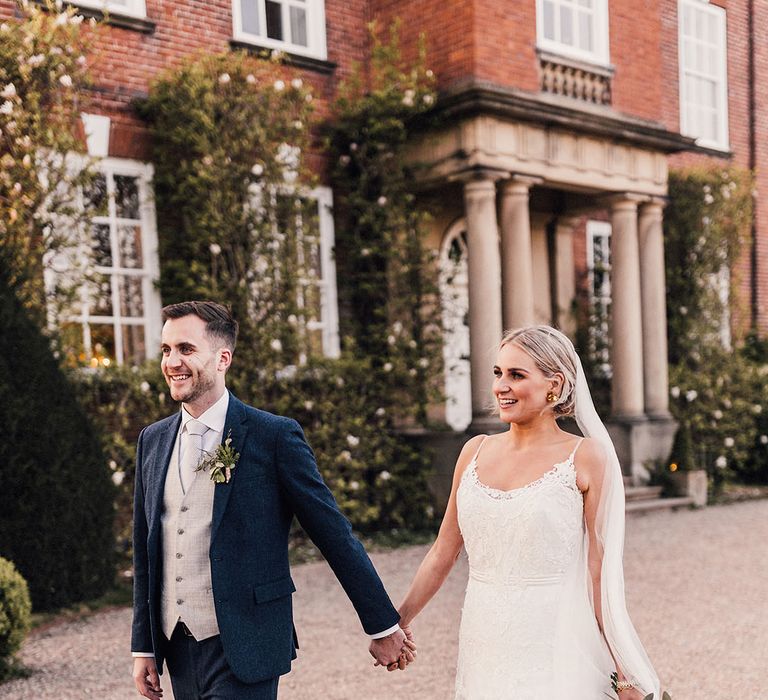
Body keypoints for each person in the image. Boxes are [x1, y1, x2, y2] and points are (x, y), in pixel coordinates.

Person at [131, 301, 415, 700]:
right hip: (176, 644)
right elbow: (146, 549)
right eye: (166, 350)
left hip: (247, 642)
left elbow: (332, 533)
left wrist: (382, 625)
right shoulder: (153, 440)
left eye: (186, 349)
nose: (173, 362)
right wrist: (143, 646)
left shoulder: (273, 436)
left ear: (223, 358)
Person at [397, 325, 660, 699]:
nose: (501, 385)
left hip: (555, 643)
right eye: (498, 373)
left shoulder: (586, 457)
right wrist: (396, 623)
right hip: (482, 640)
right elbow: (443, 551)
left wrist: (624, 667)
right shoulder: (474, 450)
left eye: (516, 375)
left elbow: (599, 571)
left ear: (554, 384)